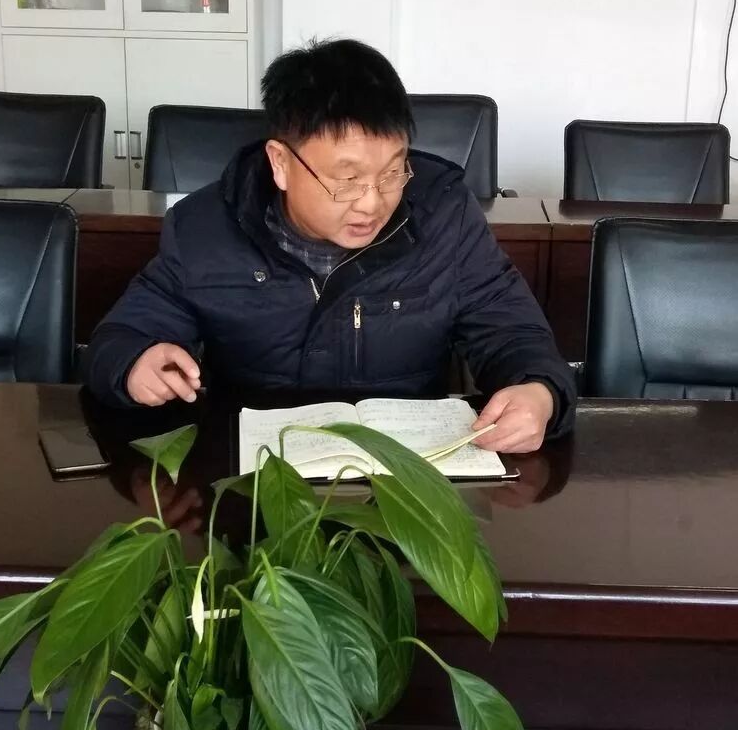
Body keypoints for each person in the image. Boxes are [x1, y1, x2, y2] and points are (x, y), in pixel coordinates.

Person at [84, 38, 576, 452]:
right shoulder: (204, 227)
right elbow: (120, 338)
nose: (373, 202)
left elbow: (511, 329)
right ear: (281, 163)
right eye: (347, 179)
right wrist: (132, 364)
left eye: (393, 172)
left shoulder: (444, 214)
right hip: (256, 480)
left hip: (408, 473)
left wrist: (539, 392)